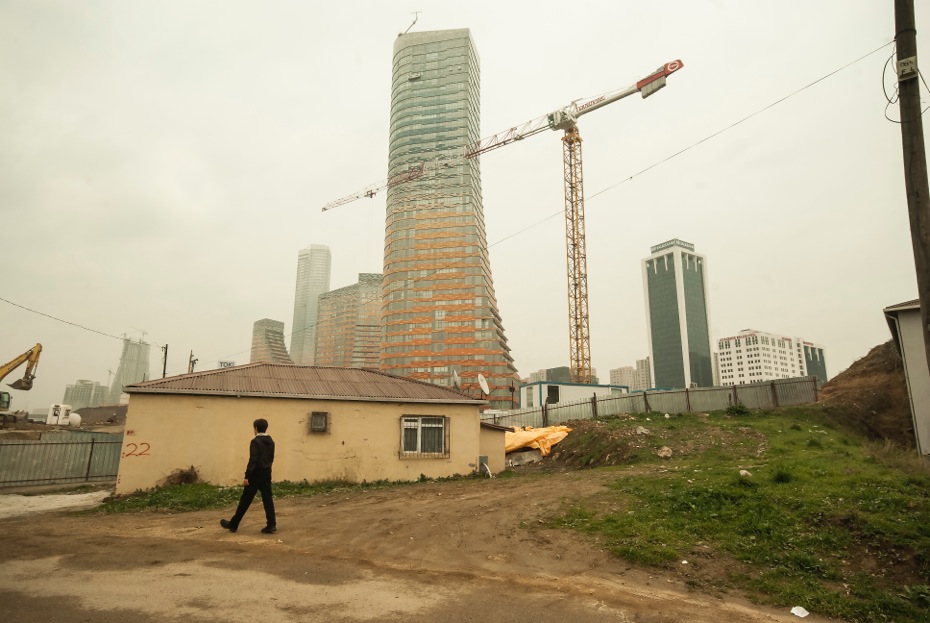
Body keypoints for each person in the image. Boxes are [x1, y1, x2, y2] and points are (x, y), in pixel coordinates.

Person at [220, 418, 276, 534]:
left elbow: (253, 459)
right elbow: (271, 458)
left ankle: (233, 524)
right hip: (267, 472)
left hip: (255, 474)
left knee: (245, 499)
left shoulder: (255, 442)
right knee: (267, 499)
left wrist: (247, 476)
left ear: (256, 428)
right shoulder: (271, 441)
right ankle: (271, 524)